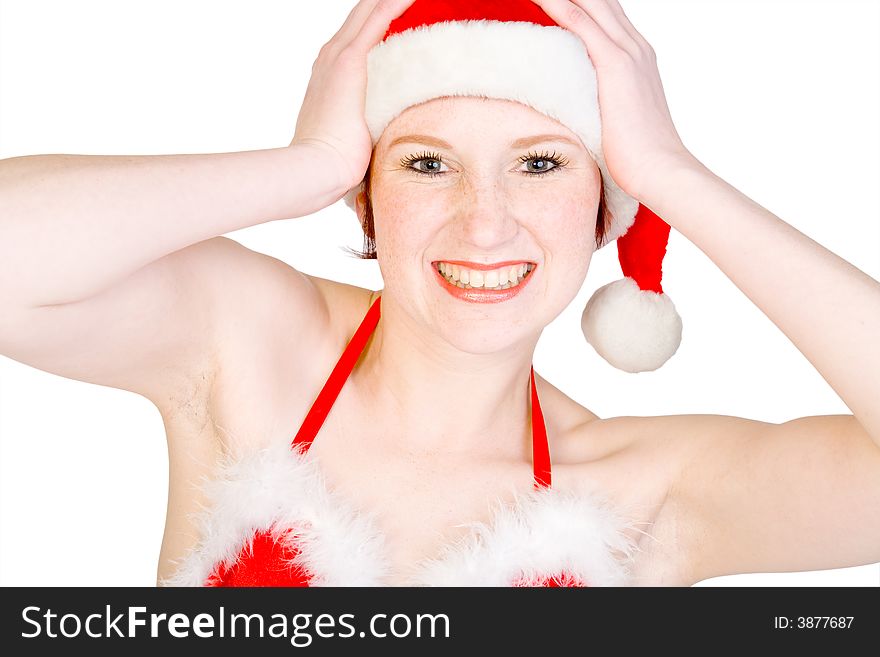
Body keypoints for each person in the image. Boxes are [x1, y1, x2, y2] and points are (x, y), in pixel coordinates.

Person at [0, 0, 878, 586]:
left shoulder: (642, 495)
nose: (484, 224)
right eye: (427, 163)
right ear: (368, 193)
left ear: (606, 208)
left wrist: (671, 174)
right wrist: (302, 166)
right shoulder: (246, 344)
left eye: (541, 163)